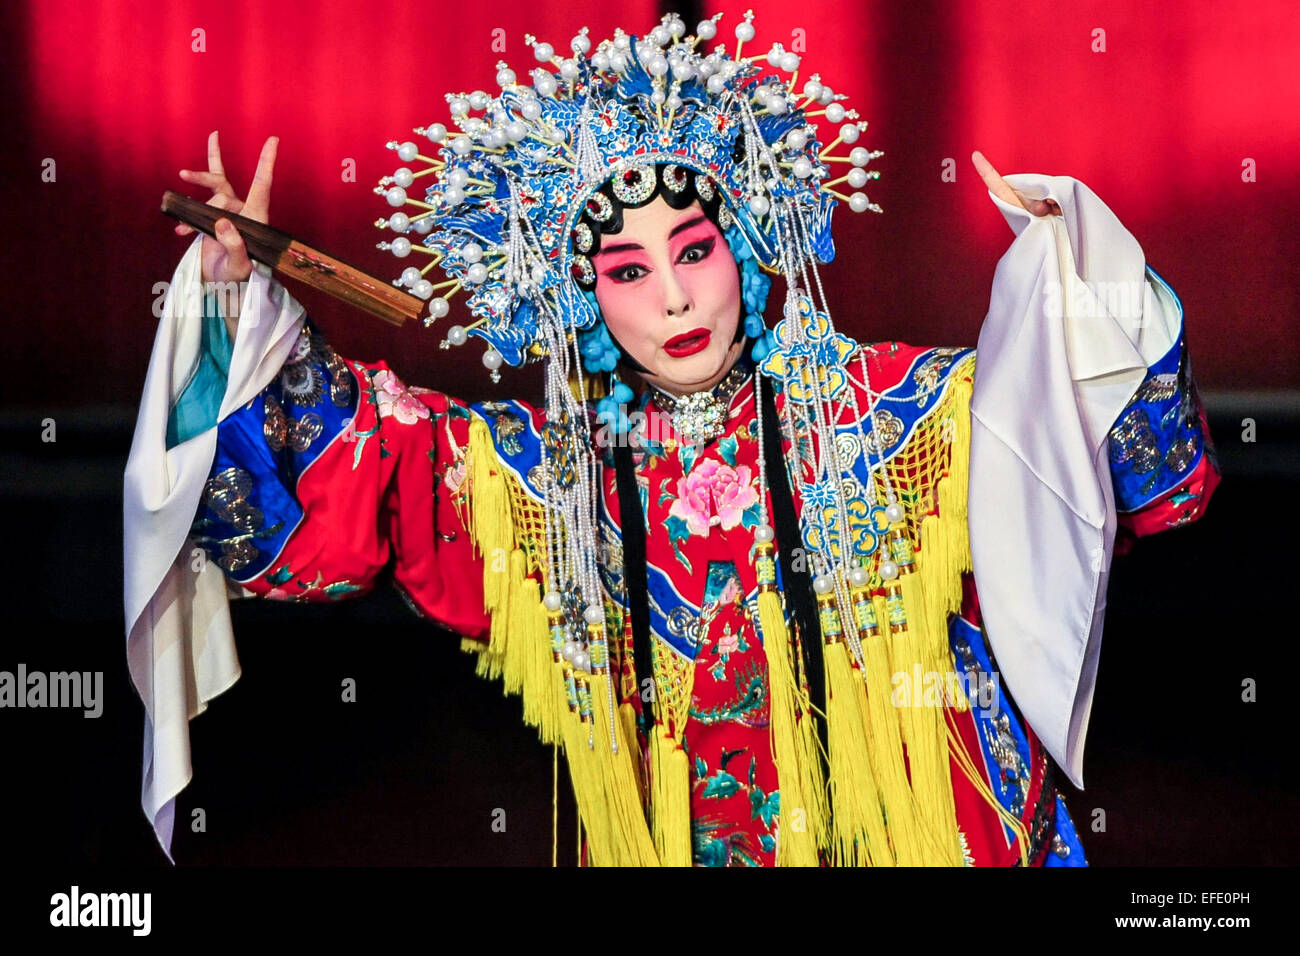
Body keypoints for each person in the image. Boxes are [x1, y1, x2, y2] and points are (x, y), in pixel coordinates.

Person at [124, 11, 1220, 867]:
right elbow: (333, 498)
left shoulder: (903, 416)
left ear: (746, 242)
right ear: (578, 294)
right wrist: (228, 310)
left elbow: (1131, 478)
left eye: (694, 249)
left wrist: (1077, 284)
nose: (676, 298)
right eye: (629, 270)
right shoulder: (537, 480)